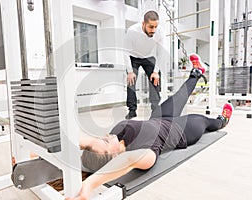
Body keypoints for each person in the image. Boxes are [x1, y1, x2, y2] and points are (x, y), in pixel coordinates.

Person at [67, 54, 233, 200]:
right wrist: (89, 185)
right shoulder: (143, 154)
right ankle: (221, 121)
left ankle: (196, 73)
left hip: (159, 117)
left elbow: (88, 142)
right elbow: (128, 161)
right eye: (105, 142)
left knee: (180, 95)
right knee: (204, 121)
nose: (106, 136)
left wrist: (69, 144)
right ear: (114, 156)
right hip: (182, 131)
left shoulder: (115, 135)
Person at [124, 10, 164, 119]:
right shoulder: (132, 31)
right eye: (151, 27)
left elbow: (160, 52)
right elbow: (126, 52)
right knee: (131, 81)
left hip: (149, 57)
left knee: (155, 79)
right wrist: (130, 71)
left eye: (156, 26)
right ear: (143, 24)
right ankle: (132, 110)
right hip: (133, 57)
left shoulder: (159, 32)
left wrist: (155, 72)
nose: (154, 30)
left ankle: (155, 110)